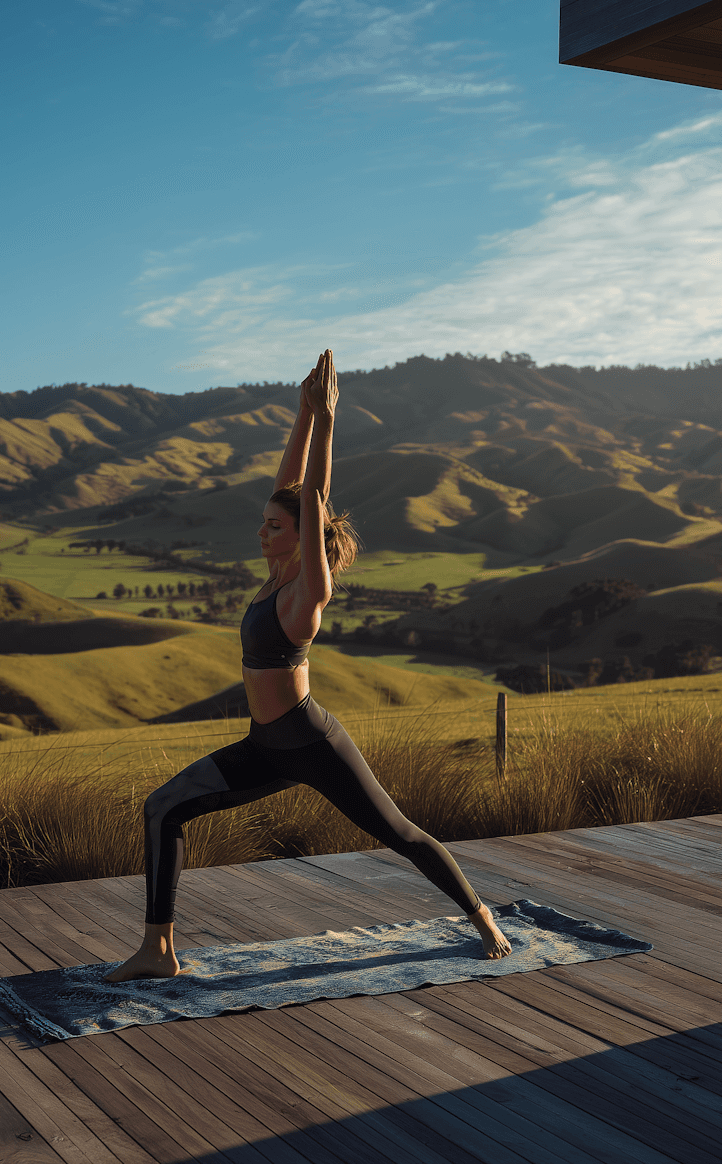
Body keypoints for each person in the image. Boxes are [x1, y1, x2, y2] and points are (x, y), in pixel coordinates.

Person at [105, 350, 511, 982]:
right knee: (163, 808)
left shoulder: (305, 596)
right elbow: (292, 486)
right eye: (264, 524)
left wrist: (326, 419)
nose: (262, 533)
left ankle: (481, 914)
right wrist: (300, 414)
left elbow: (313, 493)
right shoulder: (275, 576)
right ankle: (159, 950)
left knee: (402, 834)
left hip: (314, 744)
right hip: (265, 746)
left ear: (303, 535)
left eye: (274, 526)